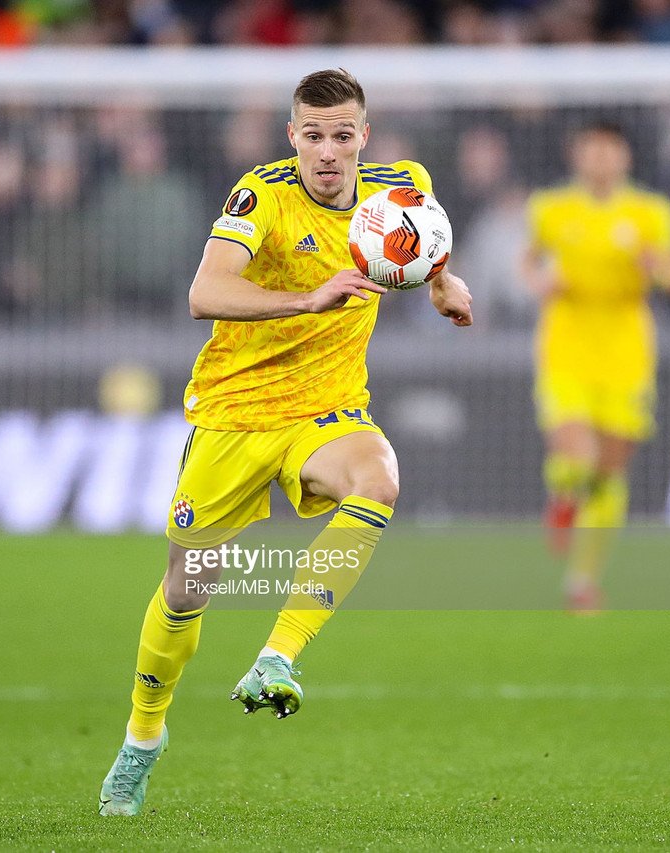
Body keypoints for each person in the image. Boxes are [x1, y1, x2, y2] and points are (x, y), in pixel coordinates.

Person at [97, 69, 473, 817]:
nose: (328, 151)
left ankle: (279, 654)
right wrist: (309, 295)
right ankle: (143, 739)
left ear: (364, 136)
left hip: (327, 409)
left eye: (342, 135)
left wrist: (440, 285)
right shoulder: (260, 194)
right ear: (291, 135)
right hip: (235, 414)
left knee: (379, 480)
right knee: (185, 590)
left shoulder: (403, 185)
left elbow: (424, 244)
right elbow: (205, 293)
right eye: (313, 134)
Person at [521, 120, 670, 612]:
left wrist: (659, 269)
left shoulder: (650, 212)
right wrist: (540, 282)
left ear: (625, 157)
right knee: (576, 454)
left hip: (627, 355)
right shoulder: (550, 209)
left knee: (610, 473)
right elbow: (529, 263)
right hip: (565, 348)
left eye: (610, 151)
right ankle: (563, 499)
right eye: (591, 151)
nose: (600, 160)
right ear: (577, 156)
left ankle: (582, 581)